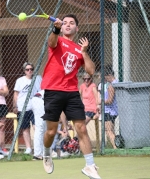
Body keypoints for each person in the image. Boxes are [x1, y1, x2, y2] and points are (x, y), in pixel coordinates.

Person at [41, 14, 101, 179]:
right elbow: (51, 42)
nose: (67, 25)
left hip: (72, 92)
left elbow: (91, 70)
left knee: (81, 128)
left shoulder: (78, 48)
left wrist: (84, 52)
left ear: (77, 28)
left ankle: (90, 166)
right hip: (53, 90)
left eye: (71, 23)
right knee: (52, 132)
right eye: (65, 22)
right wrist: (56, 28)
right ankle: (47, 153)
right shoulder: (57, 39)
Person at [13, 62, 42, 154]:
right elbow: (16, 94)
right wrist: (15, 105)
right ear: (24, 71)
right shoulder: (20, 80)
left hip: (35, 107)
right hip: (23, 107)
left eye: (31, 69)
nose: (29, 71)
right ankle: (29, 148)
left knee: (36, 127)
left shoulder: (38, 78)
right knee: (25, 128)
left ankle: (39, 147)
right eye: (27, 69)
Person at [97, 65, 118, 149]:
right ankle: (116, 145)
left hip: (109, 111)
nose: (104, 79)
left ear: (109, 75)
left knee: (109, 131)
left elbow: (109, 101)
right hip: (112, 111)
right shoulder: (115, 82)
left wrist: (100, 102)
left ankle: (116, 147)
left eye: (105, 76)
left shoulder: (111, 85)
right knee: (110, 130)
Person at [31, 89, 46, 160]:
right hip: (39, 100)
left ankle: (43, 153)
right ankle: (37, 154)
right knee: (40, 128)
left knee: (44, 129)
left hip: (41, 100)